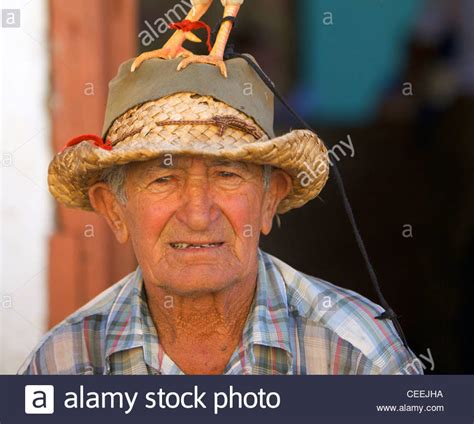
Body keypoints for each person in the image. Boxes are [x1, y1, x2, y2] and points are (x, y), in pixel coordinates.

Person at [18, 55, 421, 375]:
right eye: (163, 179)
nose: (198, 214)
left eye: (227, 175)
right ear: (114, 210)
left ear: (269, 200)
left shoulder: (358, 357)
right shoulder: (63, 366)